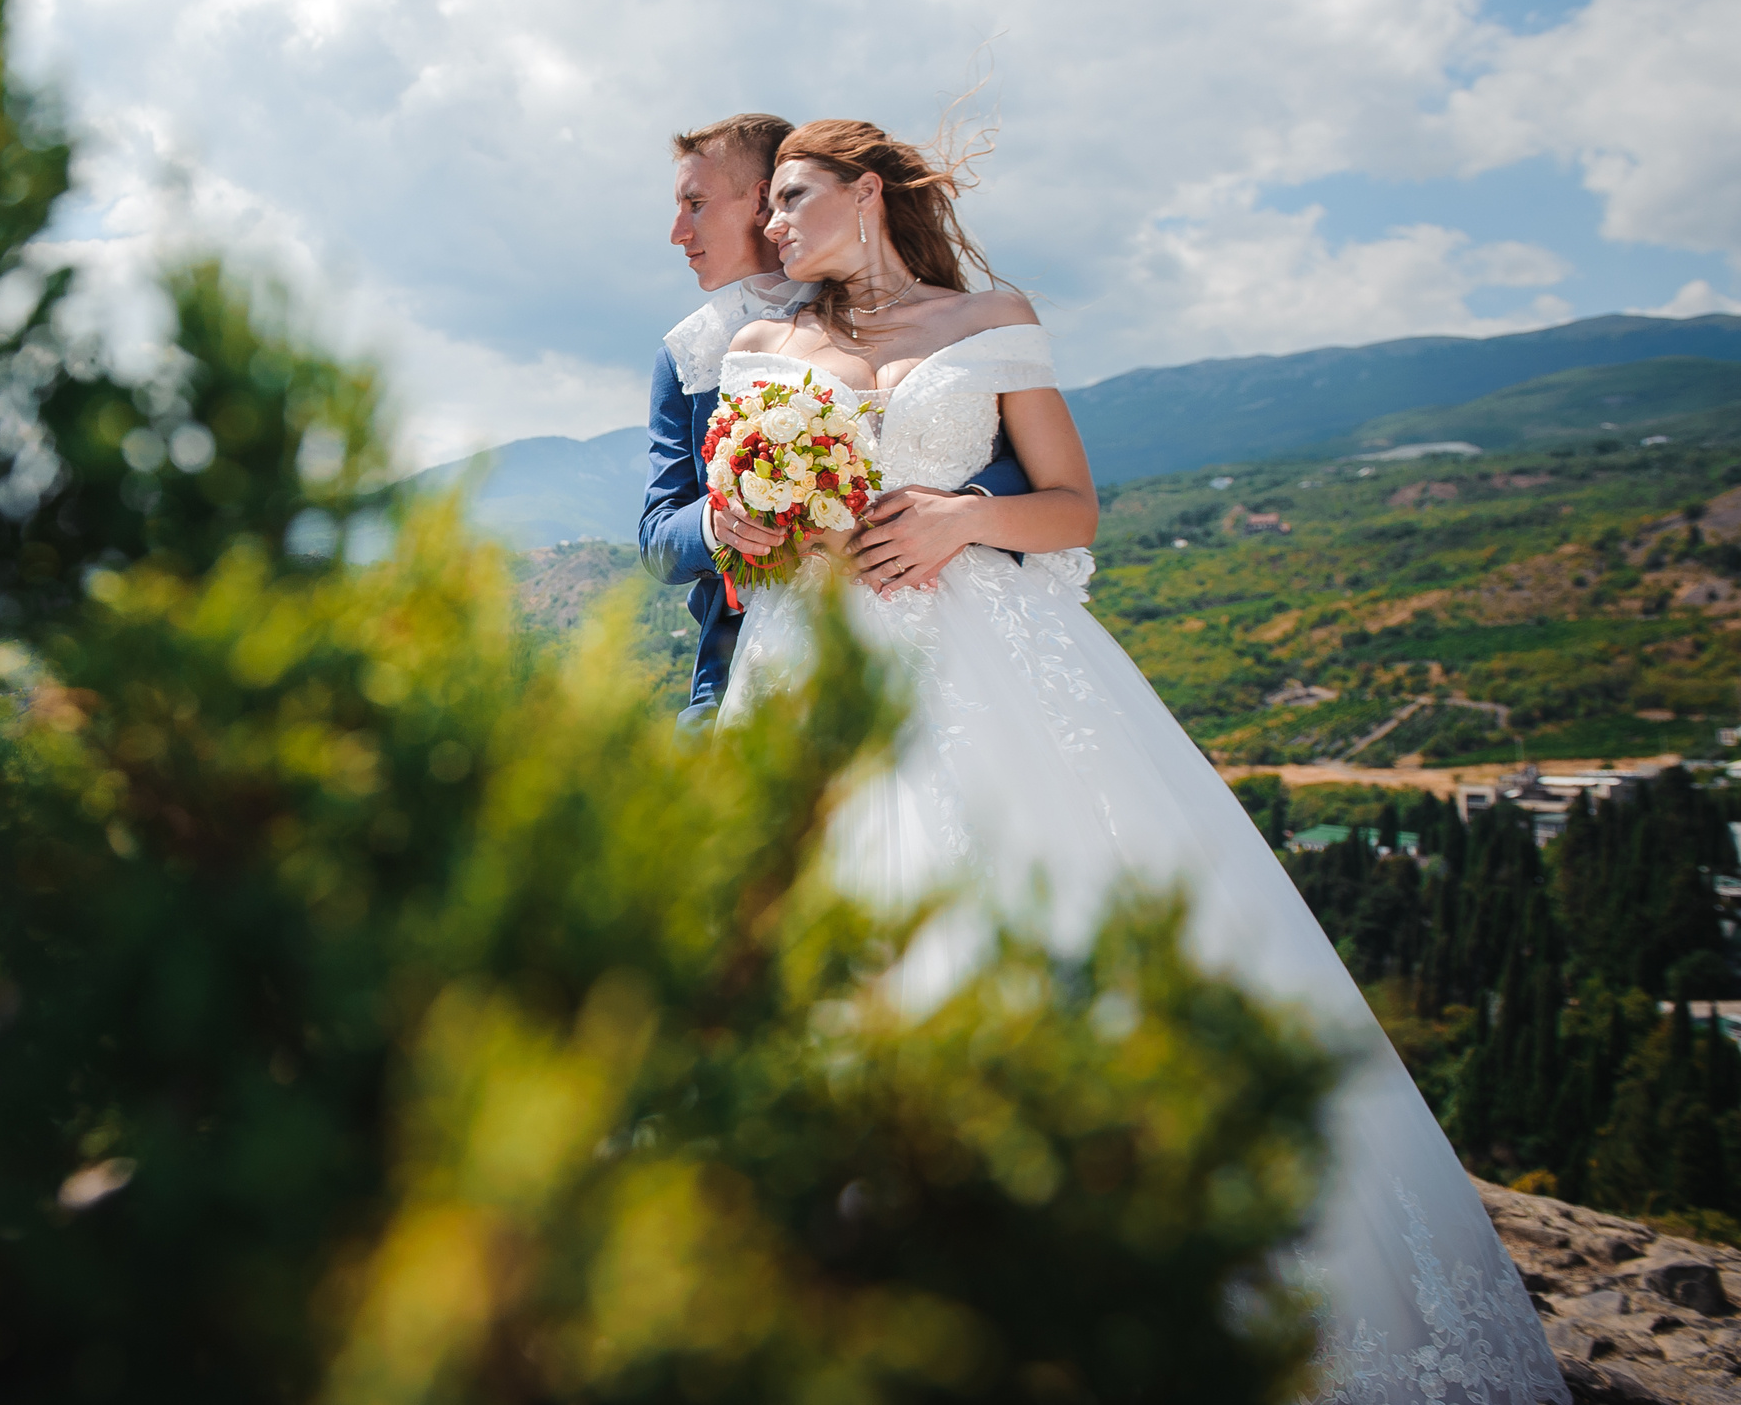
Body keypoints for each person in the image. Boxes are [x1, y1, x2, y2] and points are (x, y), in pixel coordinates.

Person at [716, 118, 1567, 1404]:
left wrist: (960, 515)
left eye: (790, 198)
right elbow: (732, 532)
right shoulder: (758, 346)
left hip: (983, 660)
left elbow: (1070, 505)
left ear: (868, 193)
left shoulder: (989, 318)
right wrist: (748, 515)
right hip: (812, 670)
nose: (769, 226)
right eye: (767, 208)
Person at [638, 113, 1026, 733]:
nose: (677, 231)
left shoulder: (920, 315)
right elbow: (658, 537)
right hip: (752, 650)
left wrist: (960, 510)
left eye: (696, 203)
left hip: (941, 615)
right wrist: (721, 522)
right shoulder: (687, 356)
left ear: (764, 198)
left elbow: (1007, 453)